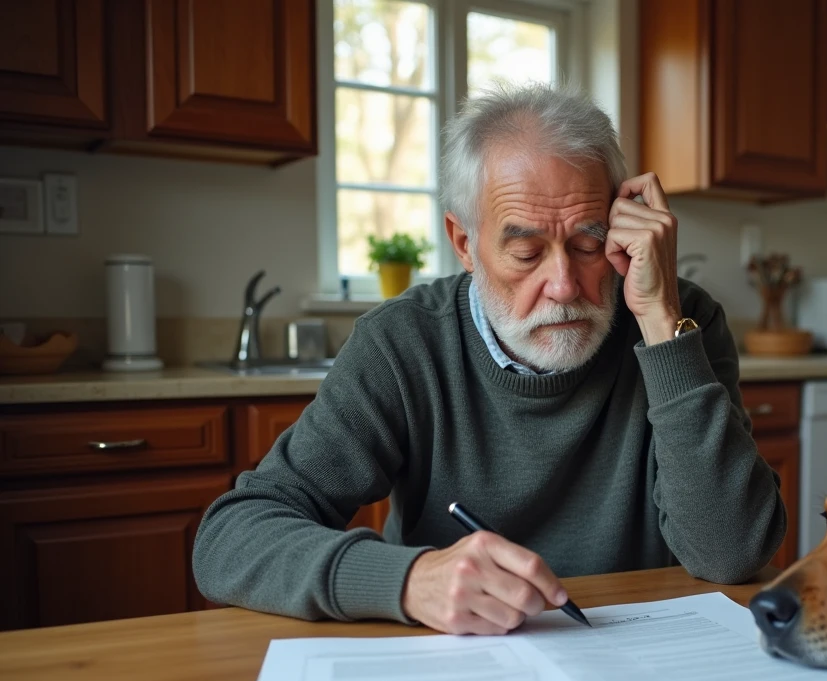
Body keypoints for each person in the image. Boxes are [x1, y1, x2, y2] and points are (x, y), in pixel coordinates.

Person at [193, 84, 786, 635]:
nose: (564, 285)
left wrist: (660, 320)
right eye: (526, 252)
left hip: (638, 660)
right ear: (464, 243)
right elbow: (229, 538)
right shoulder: (402, 344)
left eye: (588, 244)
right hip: (457, 675)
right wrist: (405, 581)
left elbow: (732, 554)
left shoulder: (683, 322)